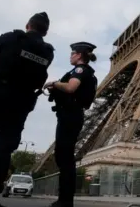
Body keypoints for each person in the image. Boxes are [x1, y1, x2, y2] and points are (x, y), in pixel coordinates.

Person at [0, 12, 54, 207]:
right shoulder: (47, 51)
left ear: (28, 25)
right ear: (45, 32)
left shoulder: (10, 37)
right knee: (4, 150)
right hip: (21, 102)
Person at [44, 42, 98, 207]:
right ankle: (65, 199)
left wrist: (53, 84)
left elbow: (71, 87)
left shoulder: (80, 70)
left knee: (65, 157)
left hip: (70, 115)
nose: (70, 56)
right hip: (72, 114)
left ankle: (65, 200)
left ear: (79, 55)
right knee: (64, 156)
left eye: (72, 53)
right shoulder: (88, 73)